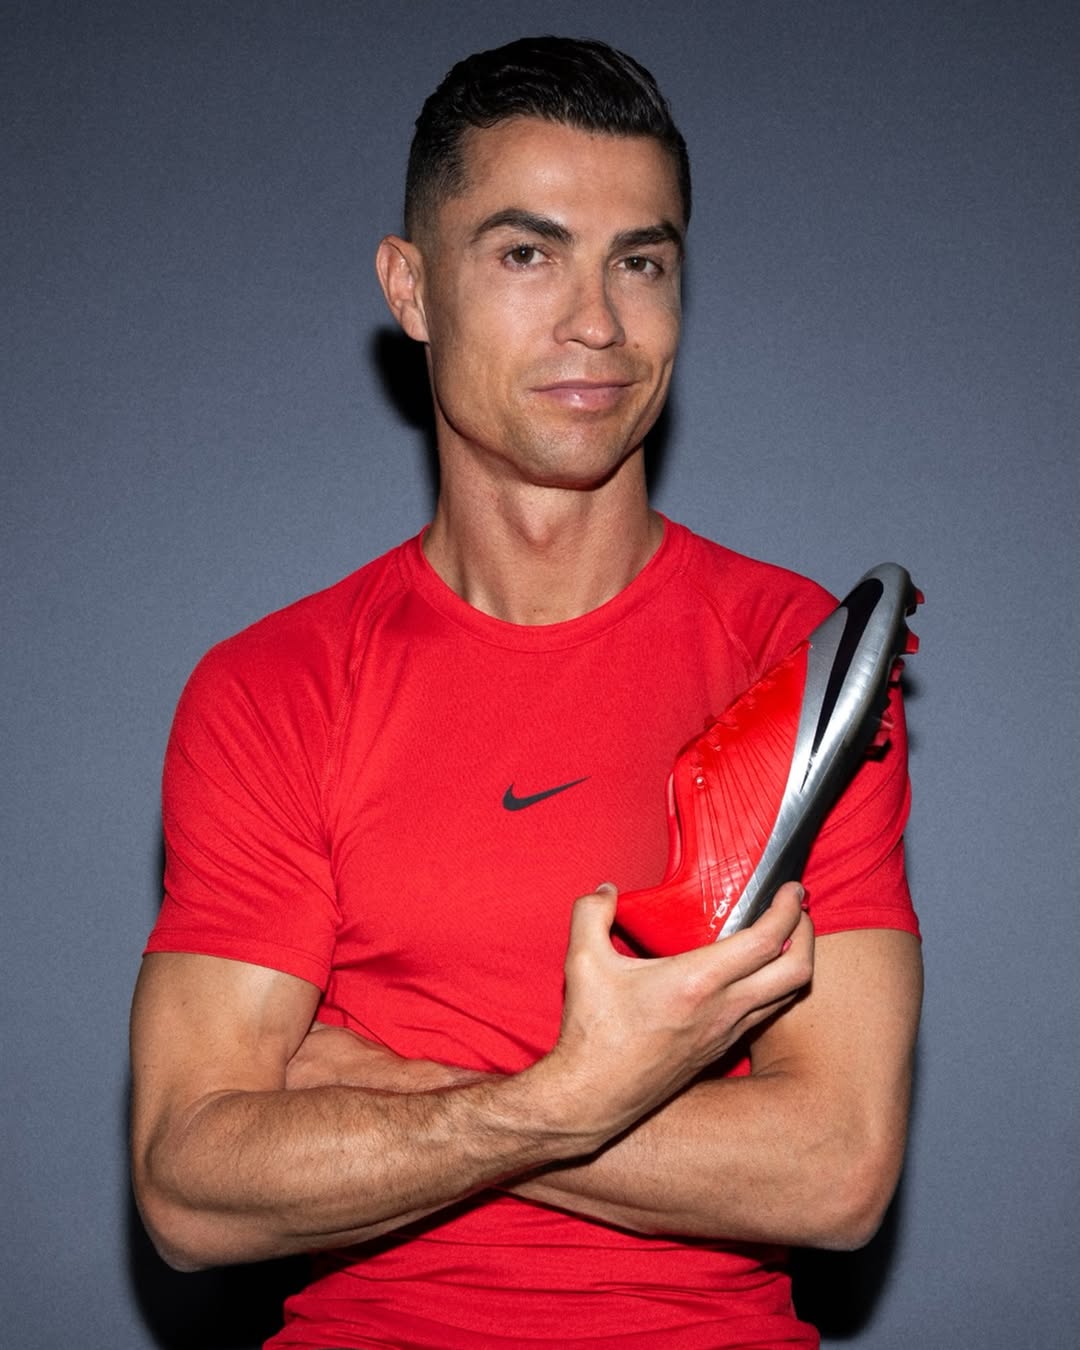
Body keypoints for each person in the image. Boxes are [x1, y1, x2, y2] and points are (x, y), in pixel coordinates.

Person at [130, 36, 922, 1349]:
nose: (598, 322)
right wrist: (566, 1100)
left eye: (642, 262)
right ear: (412, 287)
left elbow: (835, 1168)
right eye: (526, 254)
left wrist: (430, 1095)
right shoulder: (273, 688)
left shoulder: (797, 655)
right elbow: (190, 1187)